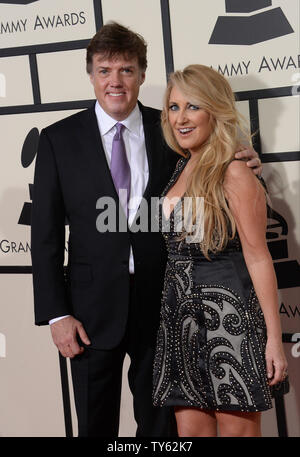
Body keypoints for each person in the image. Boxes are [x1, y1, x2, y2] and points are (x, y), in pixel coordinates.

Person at [31, 23, 261, 437]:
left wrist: (241, 157)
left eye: (126, 70)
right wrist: (57, 314)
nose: (115, 81)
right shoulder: (57, 140)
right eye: (105, 70)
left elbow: (211, 163)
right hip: (89, 310)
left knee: (159, 430)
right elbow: (44, 236)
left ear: (141, 74)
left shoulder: (171, 129)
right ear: (91, 75)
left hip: (164, 306)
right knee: (94, 426)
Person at [152, 64, 289, 437]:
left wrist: (274, 341)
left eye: (192, 106)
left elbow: (259, 256)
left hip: (230, 321)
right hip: (180, 321)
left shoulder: (235, 170)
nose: (181, 117)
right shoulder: (180, 165)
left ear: (215, 109)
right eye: (174, 106)